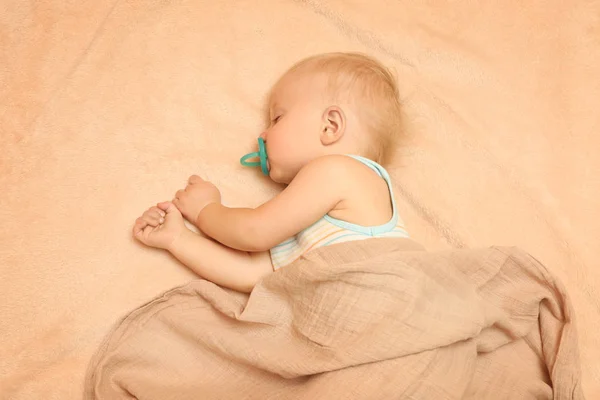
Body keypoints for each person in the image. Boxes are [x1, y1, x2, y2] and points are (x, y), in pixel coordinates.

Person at [132, 52, 409, 293]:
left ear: (330, 126)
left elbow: (254, 231)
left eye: (277, 118)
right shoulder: (311, 219)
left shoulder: (340, 171)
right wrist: (178, 239)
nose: (263, 134)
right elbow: (254, 275)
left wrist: (206, 209)